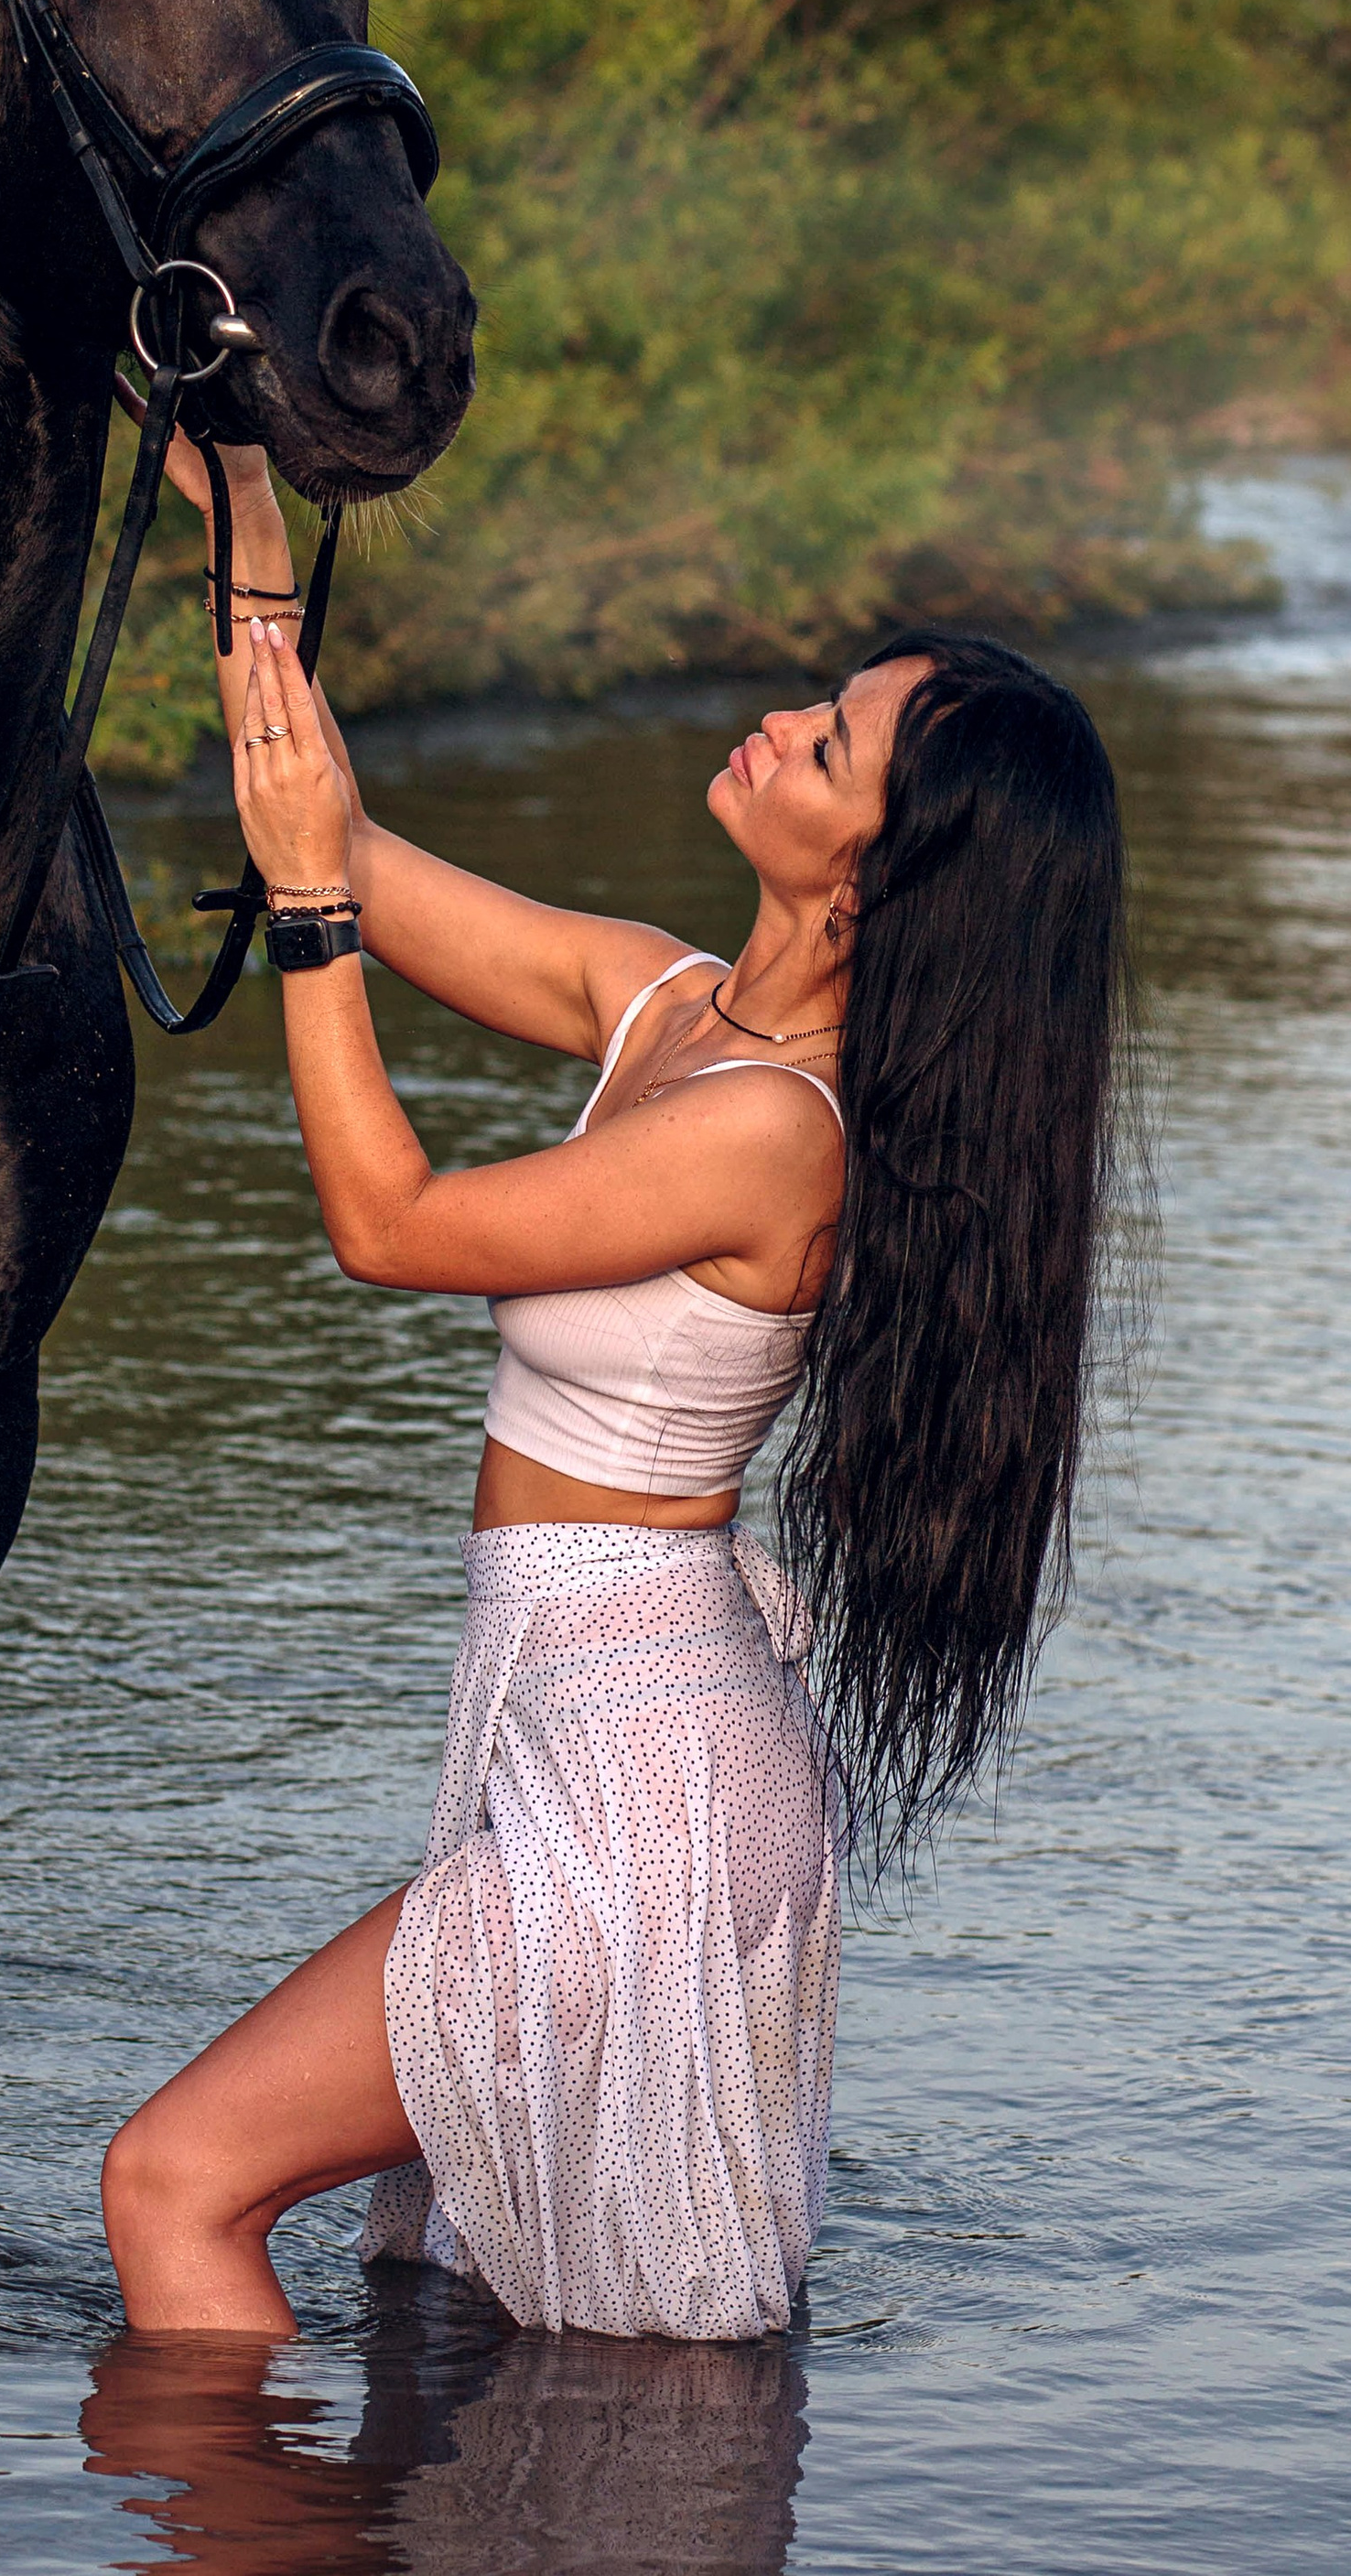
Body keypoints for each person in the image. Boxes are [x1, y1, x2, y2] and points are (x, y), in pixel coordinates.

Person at [100, 426, 1128, 2344]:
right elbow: (315, 821)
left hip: (644, 1774)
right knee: (426, 2305)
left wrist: (313, 919)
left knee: (171, 2184)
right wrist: (249, 539)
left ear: (879, 870)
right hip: (580, 1708)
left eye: (825, 745)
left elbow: (388, 1222)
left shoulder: (774, 1139)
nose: (773, 722)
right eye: (818, 703)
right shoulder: (667, 1005)